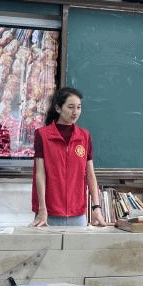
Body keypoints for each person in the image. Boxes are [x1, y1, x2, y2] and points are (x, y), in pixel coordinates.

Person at [30, 87, 106, 227]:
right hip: (49, 214)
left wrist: (96, 207)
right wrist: (42, 209)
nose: (75, 112)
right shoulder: (43, 135)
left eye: (78, 107)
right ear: (58, 108)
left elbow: (90, 174)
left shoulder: (84, 136)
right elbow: (40, 174)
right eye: (70, 107)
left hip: (77, 214)